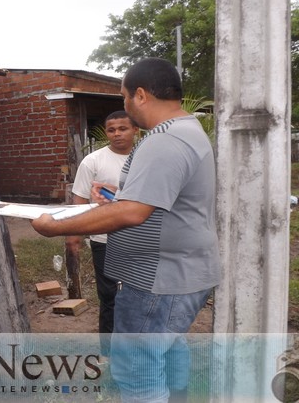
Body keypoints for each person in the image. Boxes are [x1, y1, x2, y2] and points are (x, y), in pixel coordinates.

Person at [32, 58, 220, 403]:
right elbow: (154, 201)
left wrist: (56, 225)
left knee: (137, 368)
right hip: (182, 271)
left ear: (141, 95)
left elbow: (133, 213)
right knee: (168, 347)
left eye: (124, 97)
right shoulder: (187, 130)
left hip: (160, 279)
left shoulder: (165, 140)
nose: (124, 105)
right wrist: (120, 197)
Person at [66, 110, 139, 363]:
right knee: (109, 297)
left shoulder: (146, 159)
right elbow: (78, 201)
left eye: (123, 128)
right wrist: (73, 237)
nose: (117, 134)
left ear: (135, 130)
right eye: (111, 129)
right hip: (104, 241)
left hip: (141, 240)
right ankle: (108, 354)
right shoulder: (93, 162)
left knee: (139, 296)